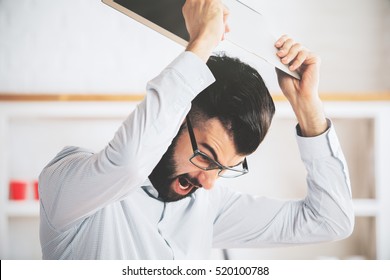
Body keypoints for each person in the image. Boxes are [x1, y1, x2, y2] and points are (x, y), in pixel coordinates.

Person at [39, 0, 354, 259]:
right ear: (177, 117)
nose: (208, 182)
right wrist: (202, 41)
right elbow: (128, 165)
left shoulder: (206, 208)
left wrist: (308, 109)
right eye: (206, 156)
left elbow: (329, 221)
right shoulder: (71, 186)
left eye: (224, 168)